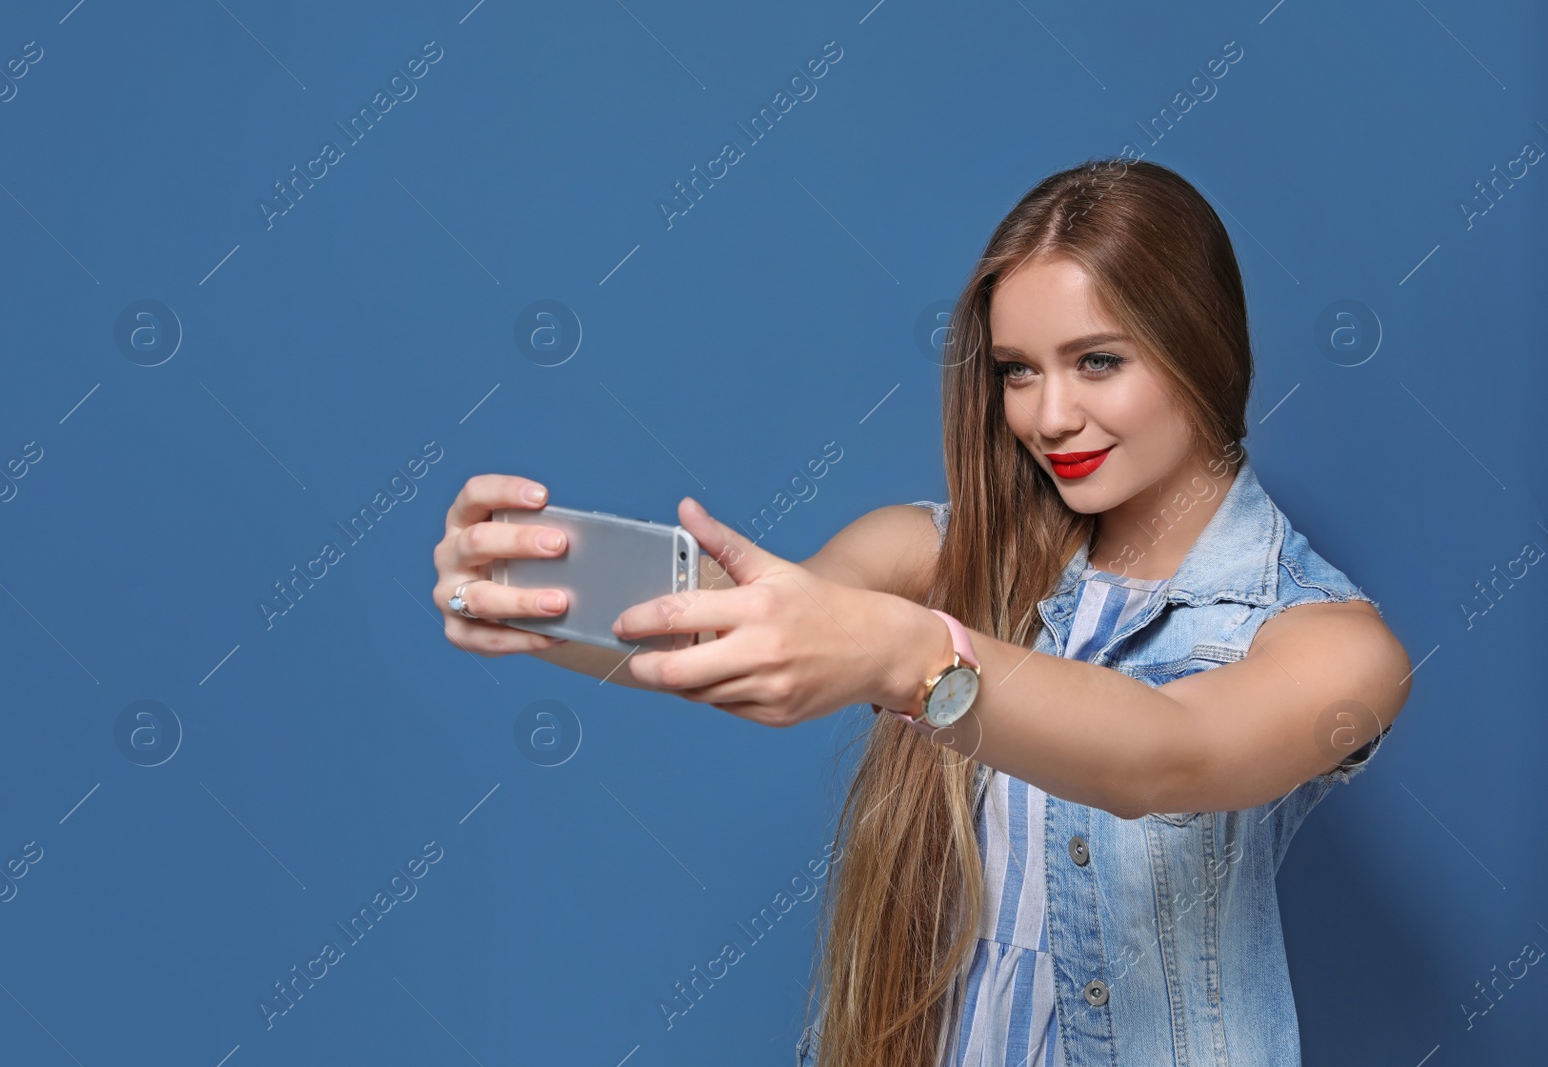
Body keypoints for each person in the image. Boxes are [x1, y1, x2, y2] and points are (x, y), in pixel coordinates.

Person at [429, 158, 1413, 1067]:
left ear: (1203, 348)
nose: (1048, 415)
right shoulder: (931, 552)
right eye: (1018, 369)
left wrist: (911, 654)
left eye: (1097, 360)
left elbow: (1167, 757)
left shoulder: (1332, 643)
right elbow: (731, 627)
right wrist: (529, 593)